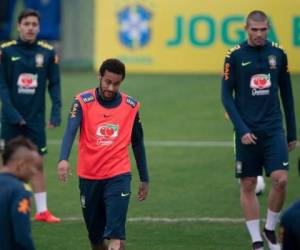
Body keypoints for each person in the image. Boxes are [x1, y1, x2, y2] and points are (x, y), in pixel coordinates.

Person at [221, 10, 297, 250]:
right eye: (254, 30)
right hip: (247, 131)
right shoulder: (234, 55)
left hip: (274, 128)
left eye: (263, 29)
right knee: (249, 184)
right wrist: (241, 129)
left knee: (281, 180)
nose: (259, 34)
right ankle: (256, 239)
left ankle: (270, 228)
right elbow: (226, 96)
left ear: (268, 28)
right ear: (246, 29)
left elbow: (287, 93)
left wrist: (292, 132)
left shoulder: (278, 53)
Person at [57, 58, 149, 250]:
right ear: (99, 77)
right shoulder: (82, 101)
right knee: (96, 239)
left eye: (117, 84)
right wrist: (63, 159)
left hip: (118, 175)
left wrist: (144, 177)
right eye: (108, 82)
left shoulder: (131, 106)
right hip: (89, 177)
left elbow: (138, 142)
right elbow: (70, 130)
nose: (111, 87)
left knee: (116, 237)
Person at [0, 9, 61, 222]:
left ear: (39, 27)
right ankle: (6, 207)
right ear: (19, 26)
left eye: (34, 24)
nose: (30, 28)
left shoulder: (47, 52)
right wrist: (13, 114)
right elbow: (2, 87)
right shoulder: (5, 51)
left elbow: (54, 84)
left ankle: (42, 211)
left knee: (37, 162)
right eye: (26, 24)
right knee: (7, 165)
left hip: (35, 119)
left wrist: (55, 112)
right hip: (10, 119)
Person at [0, 136, 42, 250]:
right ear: (21, 164)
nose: (34, 172)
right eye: (33, 166)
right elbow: (22, 237)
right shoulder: (19, 191)